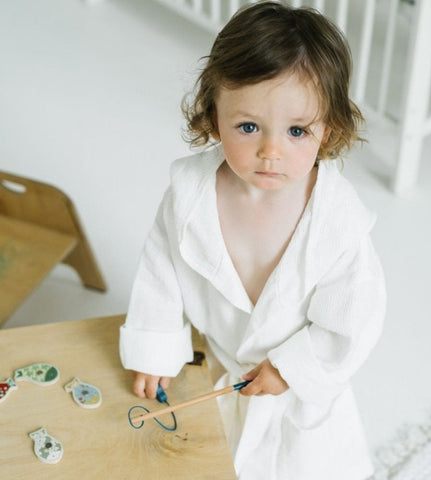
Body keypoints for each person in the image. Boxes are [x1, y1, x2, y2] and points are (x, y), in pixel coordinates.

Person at [120, 2, 386, 479]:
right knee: (211, 461)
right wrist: (154, 352)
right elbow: (159, 275)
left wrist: (290, 369)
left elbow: (354, 319)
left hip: (298, 392)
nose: (271, 151)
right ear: (213, 115)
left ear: (328, 130)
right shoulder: (189, 196)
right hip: (223, 365)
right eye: (248, 127)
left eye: (297, 130)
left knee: (302, 465)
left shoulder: (337, 223)